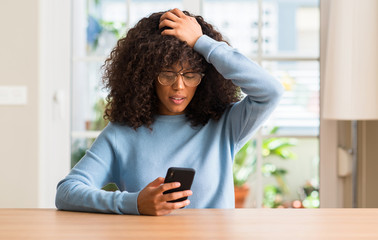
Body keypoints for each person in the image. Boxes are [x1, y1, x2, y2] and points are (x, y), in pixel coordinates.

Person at [55, 8, 283, 216]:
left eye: (191, 75)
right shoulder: (122, 133)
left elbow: (270, 91)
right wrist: (133, 203)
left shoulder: (225, 124)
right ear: (146, 77)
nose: (179, 86)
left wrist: (201, 43)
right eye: (167, 74)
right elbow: (66, 192)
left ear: (204, 78)